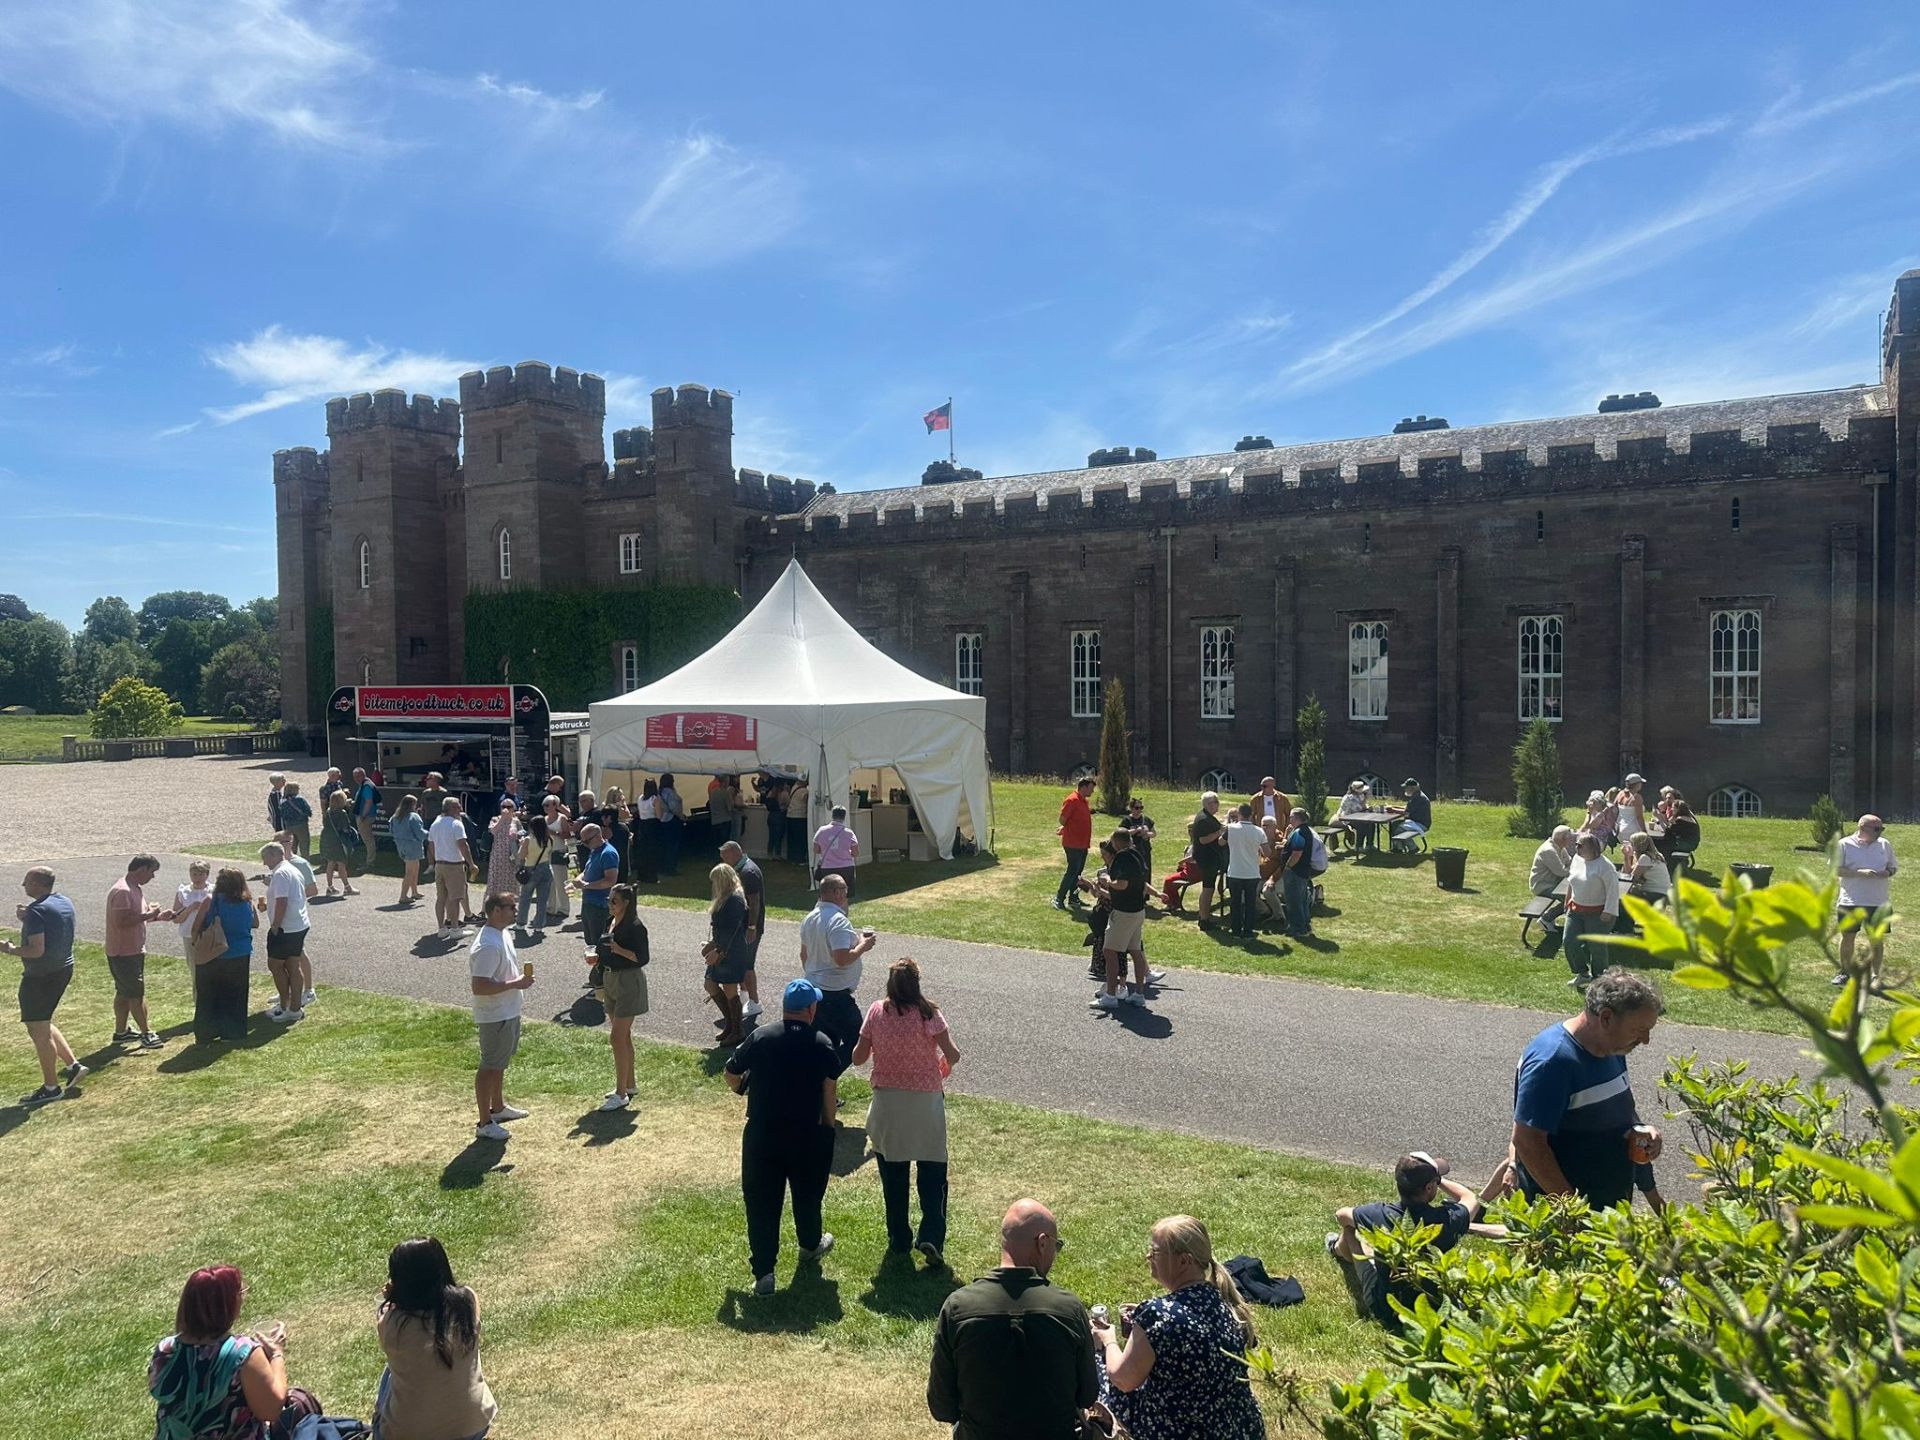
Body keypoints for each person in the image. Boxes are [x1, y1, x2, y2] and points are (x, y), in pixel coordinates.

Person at [927, 1198, 1097, 1437]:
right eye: (1055, 1247)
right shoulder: (1069, 1309)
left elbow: (942, 1406)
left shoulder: (957, 1307)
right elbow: (1088, 1395)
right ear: (1042, 1243)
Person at [1091, 1214, 1265, 1440]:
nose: (1147, 1256)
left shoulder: (1159, 1315)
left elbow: (1123, 1380)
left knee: (1098, 1368)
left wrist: (1108, 1340)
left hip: (1180, 1431)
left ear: (1184, 1261)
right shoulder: (1227, 1303)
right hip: (1240, 1429)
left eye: (1155, 1252)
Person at [723, 976, 844, 1295]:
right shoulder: (821, 1043)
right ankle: (809, 1244)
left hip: (762, 1134)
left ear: (785, 1008)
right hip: (805, 1134)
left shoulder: (761, 1037)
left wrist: (742, 1088)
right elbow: (828, 1091)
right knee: (807, 1195)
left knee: (761, 1202)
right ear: (811, 1009)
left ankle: (764, 1274)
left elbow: (730, 1073)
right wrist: (828, 1128)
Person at [1512, 969, 1665, 1208]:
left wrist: (1638, 1128)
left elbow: (1617, 1109)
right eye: (1638, 1030)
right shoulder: (1552, 1061)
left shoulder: (1612, 1048)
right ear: (1605, 1018)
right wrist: (1573, 1211)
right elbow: (1528, 1142)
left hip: (1608, 1204)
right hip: (1568, 1215)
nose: (1645, 1040)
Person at [853, 957, 961, 1265]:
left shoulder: (876, 1011)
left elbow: (858, 1058)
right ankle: (931, 1235)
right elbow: (953, 1054)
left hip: (889, 1104)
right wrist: (943, 1063)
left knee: (894, 1176)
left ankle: (899, 1237)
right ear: (916, 983)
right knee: (933, 1173)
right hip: (925, 1104)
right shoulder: (929, 1013)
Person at [1330, 1152, 1508, 1327]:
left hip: (1387, 1310)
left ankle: (1336, 1249)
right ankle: (1336, 1248)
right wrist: (1438, 1179)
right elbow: (1469, 1197)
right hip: (1435, 1309)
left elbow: (1341, 1215)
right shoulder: (1445, 1221)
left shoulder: (1379, 1214)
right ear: (1429, 1188)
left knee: (1350, 1230)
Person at [150, 1265, 302, 1440]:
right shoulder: (242, 1352)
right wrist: (276, 1354)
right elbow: (271, 1410)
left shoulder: (166, 1350)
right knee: (300, 1404)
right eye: (241, 1293)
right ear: (227, 1303)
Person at [373, 1236, 497, 1440]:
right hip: (472, 1426)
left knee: (390, 1372)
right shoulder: (467, 1302)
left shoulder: (390, 1322)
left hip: (407, 1434)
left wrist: (392, 1298)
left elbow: (385, 1317)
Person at [3, 866, 84, 1103]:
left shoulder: (37, 911)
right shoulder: (62, 901)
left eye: (26, 881)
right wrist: (28, 916)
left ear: (37, 884)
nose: (23, 885)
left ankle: (51, 1088)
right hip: (62, 970)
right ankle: (73, 1066)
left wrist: (8, 949)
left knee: (37, 1029)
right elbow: (52, 923)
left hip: (40, 977)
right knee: (43, 1022)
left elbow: (36, 950)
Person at [469, 892, 535, 1143]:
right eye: (511, 907)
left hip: (508, 1011)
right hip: (494, 1015)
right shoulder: (487, 945)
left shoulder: (502, 934)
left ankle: (498, 1107)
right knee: (489, 1066)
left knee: (500, 1063)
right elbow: (480, 986)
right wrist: (515, 983)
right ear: (496, 910)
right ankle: (484, 1122)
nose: (515, 911)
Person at [799, 872, 876, 1070]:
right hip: (836, 996)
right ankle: (826, 1077)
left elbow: (804, 955)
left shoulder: (809, 918)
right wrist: (864, 946)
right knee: (858, 1043)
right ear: (836, 892)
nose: (847, 893)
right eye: (844, 889)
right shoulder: (837, 921)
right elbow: (841, 959)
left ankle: (820, 1091)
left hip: (814, 991)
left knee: (825, 1043)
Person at [590, 883, 649, 1111]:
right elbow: (604, 947)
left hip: (629, 982)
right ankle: (630, 1084)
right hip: (610, 980)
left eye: (614, 901)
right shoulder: (610, 921)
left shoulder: (635, 927)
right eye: (609, 900)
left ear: (626, 902)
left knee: (616, 1038)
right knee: (623, 1037)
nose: (610, 904)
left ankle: (621, 1093)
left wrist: (618, 950)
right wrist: (597, 957)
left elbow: (642, 958)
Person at [106, 854, 169, 1048]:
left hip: (130, 950)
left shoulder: (135, 888)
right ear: (141, 869)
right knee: (136, 995)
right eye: (152, 872)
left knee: (124, 993)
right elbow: (121, 921)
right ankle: (146, 1033)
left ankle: (121, 1032)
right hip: (124, 952)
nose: (153, 877)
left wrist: (158, 917)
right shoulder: (123, 891)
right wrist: (150, 914)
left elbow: (136, 917)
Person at [1093, 828, 1158, 1010]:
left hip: (1123, 912)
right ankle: (1138, 993)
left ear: (1117, 842)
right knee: (1135, 951)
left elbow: (1122, 884)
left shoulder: (1122, 857)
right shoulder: (1138, 854)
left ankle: (1111, 995)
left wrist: (1107, 880)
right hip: (1138, 910)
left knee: (1109, 951)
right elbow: (1139, 882)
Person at [193, 867, 258, 1045]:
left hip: (214, 953)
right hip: (240, 952)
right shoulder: (247, 901)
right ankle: (233, 1032)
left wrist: (196, 944)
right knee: (235, 995)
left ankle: (206, 1032)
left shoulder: (210, 900)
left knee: (208, 994)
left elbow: (196, 927)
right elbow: (255, 923)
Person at [1837, 813, 1899, 988]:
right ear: (1862, 827)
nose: (1880, 832)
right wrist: (1859, 873)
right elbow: (1836, 870)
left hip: (1878, 901)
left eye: (1882, 828)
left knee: (1876, 940)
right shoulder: (1844, 845)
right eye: (1877, 828)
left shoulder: (1884, 845)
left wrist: (1887, 873)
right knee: (1848, 937)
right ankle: (1845, 972)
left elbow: (1893, 867)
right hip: (1851, 900)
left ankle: (1875, 976)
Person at [262, 842, 313, 1024]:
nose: (264, 863)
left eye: (265, 858)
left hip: (286, 927)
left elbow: (282, 901)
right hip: (298, 924)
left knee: (276, 965)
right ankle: (293, 1007)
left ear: (275, 856)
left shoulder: (281, 873)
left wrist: (275, 925)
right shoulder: (291, 869)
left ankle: (286, 1006)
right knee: (293, 964)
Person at [1563, 832, 1622, 987]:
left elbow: (1613, 890)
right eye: (1576, 844)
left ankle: (1599, 979)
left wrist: (1608, 911)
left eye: (1580, 845)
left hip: (1598, 913)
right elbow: (1571, 880)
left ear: (1592, 847)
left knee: (1596, 947)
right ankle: (1582, 973)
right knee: (1569, 942)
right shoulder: (1577, 860)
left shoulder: (1605, 867)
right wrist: (1567, 899)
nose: (1577, 848)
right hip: (1575, 910)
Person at [705, 863, 752, 1047]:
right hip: (723, 948)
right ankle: (731, 1025)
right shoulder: (728, 897)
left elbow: (732, 931)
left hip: (730, 951)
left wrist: (718, 951)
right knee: (710, 984)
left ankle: (737, 1030)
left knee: (730, 989)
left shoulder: (734, 899)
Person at [720, 841, 766, 1021]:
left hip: (750, 927)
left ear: (734, 854)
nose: (723, 862)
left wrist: (752, 927)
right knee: (740, 962)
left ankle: (755, 1002)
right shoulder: (743, 868)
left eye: (725, 857)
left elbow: (754, 901)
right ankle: (745, 997)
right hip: (743, 925)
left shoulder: (748, 872)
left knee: (747, 965)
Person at [430, 797, 477, 940]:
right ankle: (455, 929)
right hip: (454, 865)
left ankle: (441, 928)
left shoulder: (435, 823)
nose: (460, 809)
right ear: (450, 808)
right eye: (457, 807)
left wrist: (437, 858)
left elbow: (431, 845)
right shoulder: (456, 824)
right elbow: (463, 845)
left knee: (441, 898)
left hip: (439, 864)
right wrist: (471, 863)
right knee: (455, 898)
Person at [571, 822, 620, 948]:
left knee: (599, 942)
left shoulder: (608, 853)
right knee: (590, 940)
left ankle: (602, 965)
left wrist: (586, 885)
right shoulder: (595, 850)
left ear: (598, 836)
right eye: (583, 842)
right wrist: (579, 879)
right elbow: (587, 870)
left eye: (587, 841)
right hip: (588, 902)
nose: (585, 845)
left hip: (601, 905)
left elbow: (610, 880)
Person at [1222, 804, 1266, 938]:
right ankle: (1248, 931)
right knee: (1250, 903)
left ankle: (1236, 930)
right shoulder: (1259, 831)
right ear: (1251, 815)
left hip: (1235, 871)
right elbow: (1267, 851)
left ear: (1239, 814)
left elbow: (1220, 842)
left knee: (1235, 903)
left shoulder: (1230, 829)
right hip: (1252, 872)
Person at [1054, 776, 1096, 910]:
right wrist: (1065, 827)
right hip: (1072, 843)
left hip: (1083, 844)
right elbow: (1062, 819)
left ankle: (1073, 898)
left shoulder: (1084, 801)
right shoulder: (1072, 800)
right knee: (1072, 871)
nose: (1093, 791)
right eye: (1091, 788)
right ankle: (1059, 898)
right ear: (1084, 787)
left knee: (1078, 872)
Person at [1187, 792, 1228, 930]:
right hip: (1207, 858)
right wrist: (1219, 832)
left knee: (1208, 888)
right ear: (1207, 804)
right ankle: (1204, 919)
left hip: (1210, 858)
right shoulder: (1203, 819)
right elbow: (1203, 840)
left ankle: (1203, 916)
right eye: (1214, 802)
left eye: (1217, 801)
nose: (1217, 804)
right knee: (1208, 888)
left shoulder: (1208, 817)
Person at [1279, 806, 1319, 939]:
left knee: (1294, 901)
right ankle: (1305, 925)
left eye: (1291, 817)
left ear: (1296, 818)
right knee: (1302, 900)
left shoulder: (1299, 833)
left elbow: (1296, 854)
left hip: (1295, 872)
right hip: (1302, 871)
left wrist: (1288, 867)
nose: (1289, 819)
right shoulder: (1304, 831)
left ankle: (1298, 929)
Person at [514, 813, 555, 936]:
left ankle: (521, 923)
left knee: (525, 897)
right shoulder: (549, 839)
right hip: (546, 868)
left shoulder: (528, 839)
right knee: (542, 899)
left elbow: (521, 856)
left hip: (531, 869)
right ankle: (539, 925)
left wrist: (521, 844)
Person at [318, 789, 362, 897]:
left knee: (330, 863)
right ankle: (347, 887)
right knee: (341, 864)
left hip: (328, 840)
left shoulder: (328, 811)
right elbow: (345, 828)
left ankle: (330, 887)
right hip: (338, 842)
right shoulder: (341, 813)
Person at [812, 804, 861, 900]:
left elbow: (816, 850)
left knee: (826, 895)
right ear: (844, 816)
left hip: (827, 867)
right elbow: (856, 853)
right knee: (844, 896)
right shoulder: (849, 833)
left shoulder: (821, 831)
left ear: (832, 815)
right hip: (846, 868)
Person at [541, 794, 574, 924]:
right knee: (549, 881)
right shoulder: (544, 819)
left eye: (548, 805)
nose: (546, 807)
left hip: (559, 851)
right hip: (547, 852)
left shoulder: (562, 819)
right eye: (544, 805)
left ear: (555, 805)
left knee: (561, 881)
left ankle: (564, 909)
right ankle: (551, 907)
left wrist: (554, 833)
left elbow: (568, 835)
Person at [391, 795, 428, 906]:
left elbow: (391, 829)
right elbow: (419, 832)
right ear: (412, 805)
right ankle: (403, 896)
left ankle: (414, 892)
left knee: (415, 868)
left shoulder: (395, 817)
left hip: (401, 845)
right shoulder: (413, 817)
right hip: (412, 845)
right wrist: (429, 834)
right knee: (410, 872)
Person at [1622, 832, 1672, 907]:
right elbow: (1627, 873)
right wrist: (1627, 856)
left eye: (1632, 844)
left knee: (1622, 893)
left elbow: (1631, 878)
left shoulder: (1645, 858)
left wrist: (1627, 857)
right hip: (1663, 893)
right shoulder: (1656, 855)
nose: (1630, 846)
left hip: (1655, 894)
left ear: (1638, 845)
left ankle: (1625, 916)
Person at [484, 799, 521, 900]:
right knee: (495, 879)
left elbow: (523, 834)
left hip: (511, 855)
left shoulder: (516, 821)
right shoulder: (495, 819)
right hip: (498, 854)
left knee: (512, 880)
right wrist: (502, 819)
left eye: (509, 807)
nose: (506, 809)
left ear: (513, 809)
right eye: (503, 807)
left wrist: (517, 836)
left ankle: (511, 904)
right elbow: (493, 831)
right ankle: (491, 904)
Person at [1530, 825, 1575, 897]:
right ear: (1562, 839)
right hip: (1543, 886)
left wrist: (1572, 867)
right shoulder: (1549, 851)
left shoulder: (1560, 847)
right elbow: (1562, 872)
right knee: (1572, 895)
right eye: (1569, 838)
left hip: (1555, 882)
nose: (1571, 841)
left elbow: (1570, 862)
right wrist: (1573, 869)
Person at [1388, 777, 1431, 851]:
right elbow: (1407, 808)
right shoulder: (1417, 795)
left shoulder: (1417, 798)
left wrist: (1392, 810)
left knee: (1399, 829)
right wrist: (1394, 807)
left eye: (1406, 788)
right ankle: (1397, 847)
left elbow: (1406, 812)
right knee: (1394, 824)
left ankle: (1412, 848)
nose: (1405, 790)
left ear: (1412, 788)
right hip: (1416, 822)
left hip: (1420, 824)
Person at [1331, 778, 1374, 852]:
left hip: (1359, 817)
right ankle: (1358, 846)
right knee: (1362, 826)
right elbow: (1358, 809)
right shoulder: (1349, 798)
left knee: (1372, 824)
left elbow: (1363, 806)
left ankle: (1369, 845)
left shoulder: (1360, 795)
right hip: (1347, 818)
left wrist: (1368, 807)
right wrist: (1365, 801)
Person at [631, 779, 660, 884]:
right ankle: (652, 876)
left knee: (642, 851)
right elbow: (658, 815)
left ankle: (641, 875)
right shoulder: (654, 799)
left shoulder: (641, 798)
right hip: (652, 825)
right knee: (653, 852)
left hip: (642, 825)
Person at [1117, 797, 1156, 876]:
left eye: (1141, 808)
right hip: (1132, 851)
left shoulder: (1146, 819)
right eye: (1137, 808)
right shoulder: (1127, 820)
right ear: (1131, 808)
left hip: (1145, 850)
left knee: (1146, 872)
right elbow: (1122, 833)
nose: (1139, 810)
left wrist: (1146, 833)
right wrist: (1136, 830)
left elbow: (1154, 833)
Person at [1656, 800, 1701, 864]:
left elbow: (1668, 831)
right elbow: (1670, 825)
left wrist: (1659, 818)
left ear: (1678, 809)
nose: (1671, 809)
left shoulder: (1681, 819)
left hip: (1687, 844)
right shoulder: (1686, 817)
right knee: (1664, 842)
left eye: (1673, 808)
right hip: (1690, 842)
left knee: (1660, 844)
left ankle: (1665, 864)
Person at [658, 773, 685, 875]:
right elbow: (674, 808)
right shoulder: (670, 793)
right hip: (672, 820)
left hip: (662, 820)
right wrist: (681, 816)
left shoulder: (659, 792)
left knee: (665, 845)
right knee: (673, 845)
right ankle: (671, 868)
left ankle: (663, 867)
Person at [352, 766, 382, 858]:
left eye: (358, 776)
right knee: (368, 839)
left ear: (363, 775)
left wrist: (363, 816)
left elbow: (368, 802)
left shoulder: (366, 786)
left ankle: (370, 861)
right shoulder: (365, 784)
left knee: (368, 840)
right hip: (366, 815)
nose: (356, 779)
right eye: (355, 777)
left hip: (366, 816)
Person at [280, 780, 312, 859]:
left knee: (292, 845)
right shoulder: (299, 799)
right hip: (301, 824)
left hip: (289, 825)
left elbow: (282, 814)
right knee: (304, 844)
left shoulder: (282, 801)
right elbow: (307, 809)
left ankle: (292, 861)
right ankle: (305, 861)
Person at [1614, 773, 1649, 841]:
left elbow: (1614, 809)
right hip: (1633, 830)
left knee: (1626, 850)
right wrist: (1645, 832)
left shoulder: (1620, 794)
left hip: (1620, 828)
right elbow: (1639, 817)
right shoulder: (1637, 797)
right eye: (1640, 783)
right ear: (1636, 784)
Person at [784, 777, 810, 864]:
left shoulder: (794, 787)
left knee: (791, 839)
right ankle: (799, 858)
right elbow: (807, 802)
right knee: (800, 839)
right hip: (800, 816)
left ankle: (791, 858)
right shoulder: (805, 791)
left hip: (790, 815)